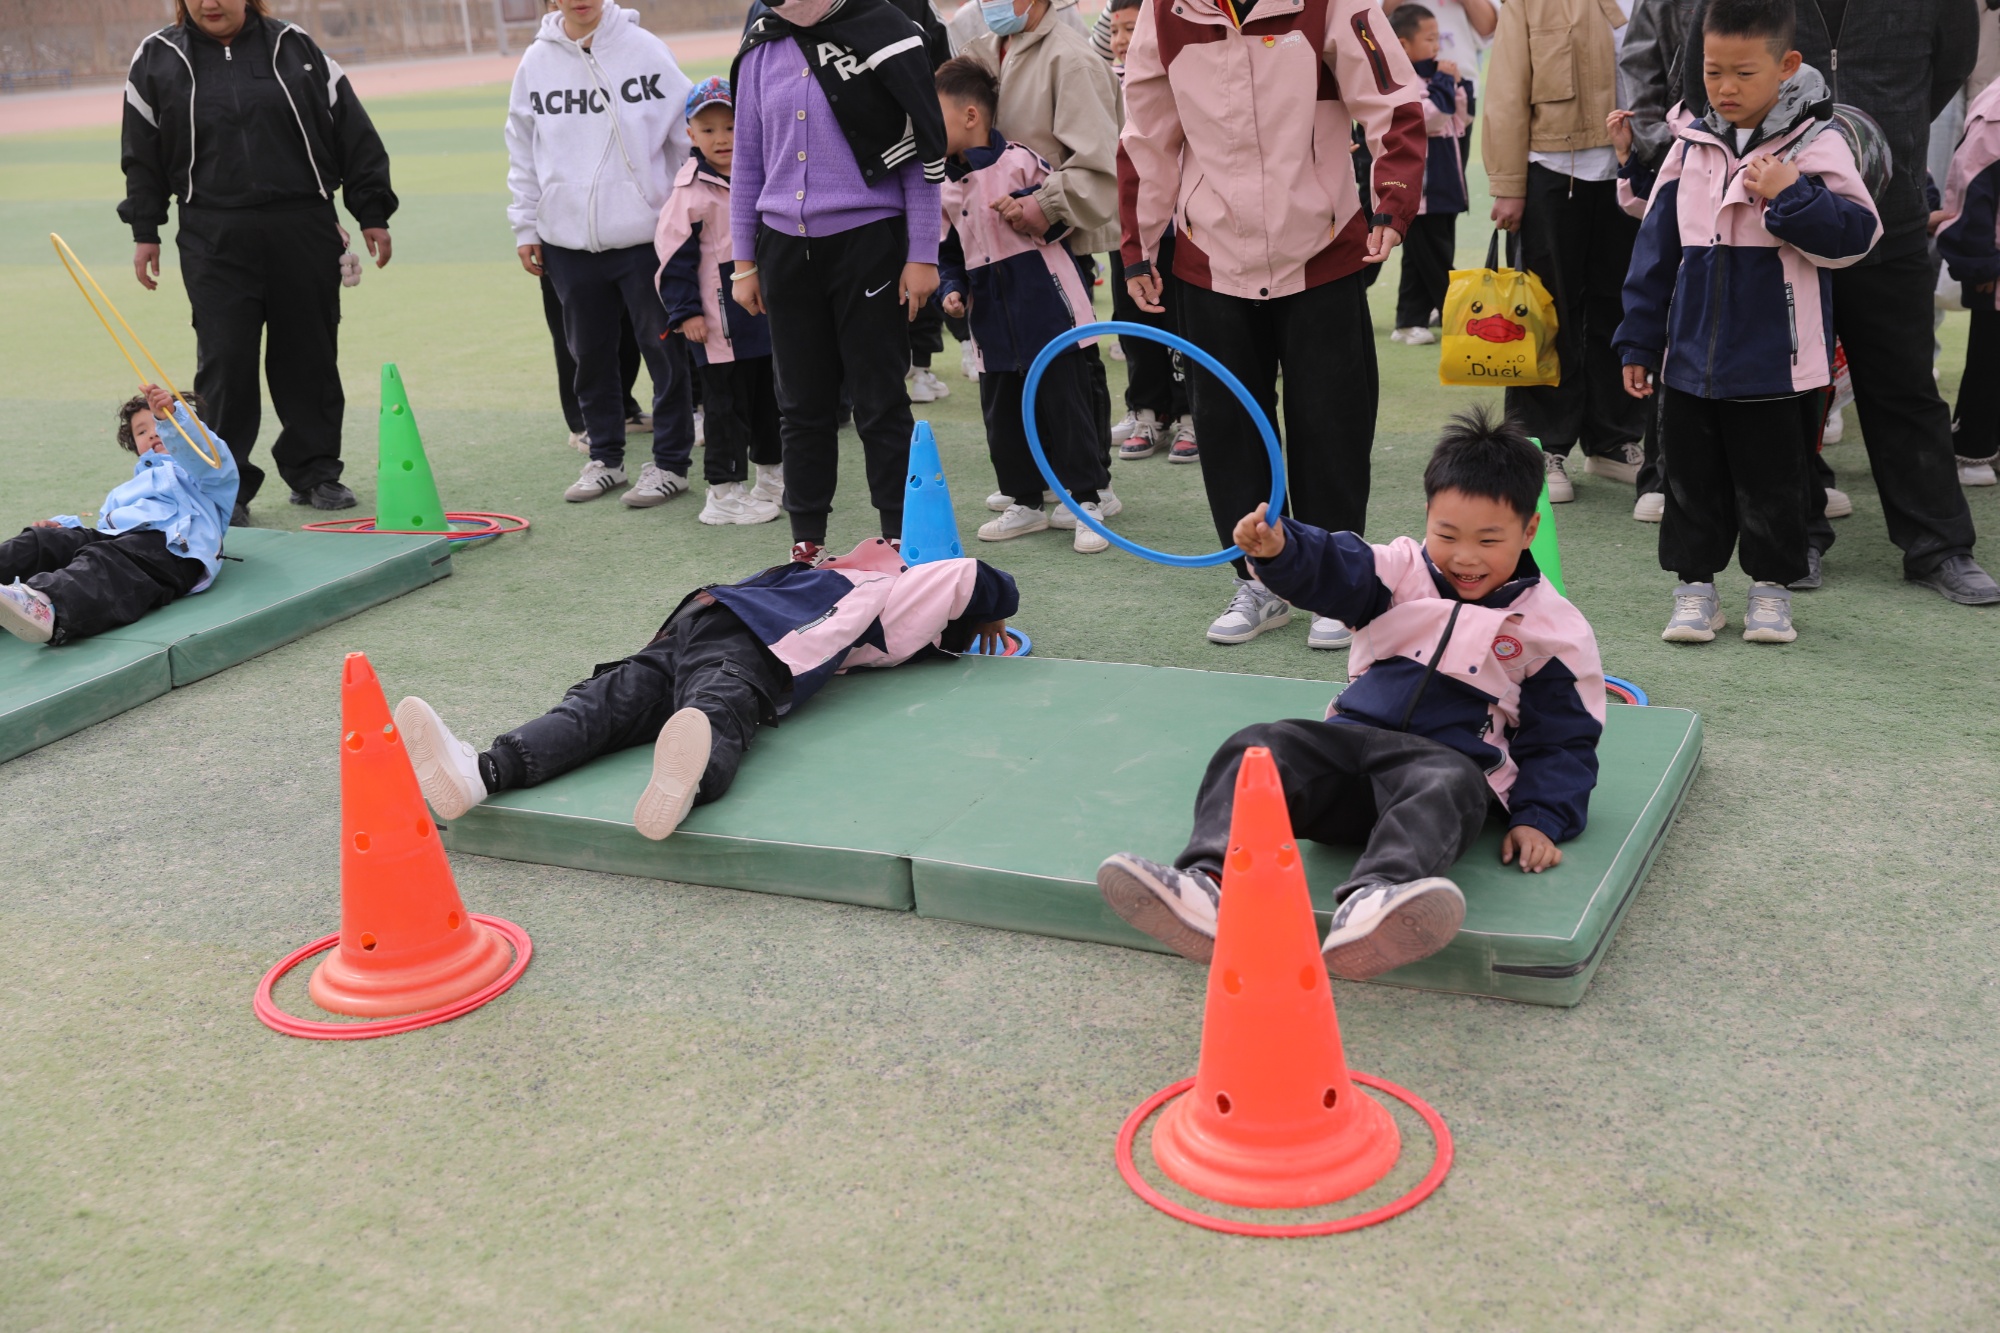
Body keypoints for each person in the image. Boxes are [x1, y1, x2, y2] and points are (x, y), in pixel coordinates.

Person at [1095, 407, 1605, 979]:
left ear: (1529, 530)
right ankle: (1206, 886)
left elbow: (1564, 737)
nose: (1464, 556)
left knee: (1450, 780)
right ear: (1427, 518)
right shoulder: (1399, 571)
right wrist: (1280, 549)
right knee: (1259, 744)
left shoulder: (1552, 630)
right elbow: (1338, 564)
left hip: (1442, 771)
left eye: (1489, 539)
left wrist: (1540, 816)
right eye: (1447, 534)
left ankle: (1375, 901)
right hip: (1351, 751)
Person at [1119, 0, 1427, 651]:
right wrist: (1137, 243)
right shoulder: (1166, 13)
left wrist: (1391, 201)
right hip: (1211, 253)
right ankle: (1260, 578)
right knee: (1228, 426)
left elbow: (1391, 98)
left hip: (1320, 246)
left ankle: (1335, 578)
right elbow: (1147, 134)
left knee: (1332, 420)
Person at [1678, 0, 1998, 605]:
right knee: (1785, 391)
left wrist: (1882, 141)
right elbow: (1700, 76)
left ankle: (1939, 544)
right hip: (1771, 229)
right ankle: (1793, 536)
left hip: (1890, 213)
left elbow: (1948, 68)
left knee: (1903, 384)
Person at [395, 539, 1019, 840]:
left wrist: (980, 619)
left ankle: (489, 772)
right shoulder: (869, 589)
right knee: (678, 702)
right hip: (719, 631)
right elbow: (964, 578)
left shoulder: (872, 592)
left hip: (712, 629)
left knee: (631, 702)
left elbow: (964, 581)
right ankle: (487, 773)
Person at [1616, 0, 1881, 646]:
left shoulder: (1816, 145)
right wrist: (1640, 341)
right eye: (1712, 73)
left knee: (1775, 482)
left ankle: (1771, 591)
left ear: (1787, 67)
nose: (1725, 89)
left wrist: (1790, 193)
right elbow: (1656, 251)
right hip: (1689, 364)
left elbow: (1857, 235)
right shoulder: (1690, 144)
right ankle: (1695, 591)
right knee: (1688, 481)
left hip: (1777, 363)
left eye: (1743, 73)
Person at [120, 0, 394, 524]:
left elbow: (352, 131)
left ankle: (315, 472)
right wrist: (145, 228)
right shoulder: (156, 58)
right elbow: (142, 150)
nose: (210, 4)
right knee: (225, 361)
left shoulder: (295, 47)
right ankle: (229, 484)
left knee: (309, 355)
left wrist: (371, 210)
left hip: (303, 224)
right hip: (213, 233)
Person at [730, 0, 947, 566]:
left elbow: (921, 150)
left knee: (879, 399)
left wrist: (923, 251)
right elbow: (747, 161)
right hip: (782, 250)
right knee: (801, 404)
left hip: (869, 244)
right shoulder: (761, 44)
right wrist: (743, 262)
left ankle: (901, 536)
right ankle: (807, 542)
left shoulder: (887, 32)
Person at [507, 0, 695, 508]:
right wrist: (527, 224)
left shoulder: (645, 50)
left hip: (645, 237)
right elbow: (523, 148)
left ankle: (671, 464)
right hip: (567, 242)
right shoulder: (536, 62)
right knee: (588, 356)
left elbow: (686, 140)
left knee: (664, 354)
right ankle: (606, 458)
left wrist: (683, 215)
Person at [933, 58, 1114, 555]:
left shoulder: (1021, 162)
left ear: (971, 116)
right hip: (990, 318)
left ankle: (1086, 502)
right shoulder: (945, 185)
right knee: (1003, 415)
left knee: (1066, 406)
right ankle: (1026, 501)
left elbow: (1064, 222)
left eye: (937, 115)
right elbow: (947, 250)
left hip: (1047, 310)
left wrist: (1029, 208)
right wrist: (949, 286)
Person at [962, 0, 1128, 508]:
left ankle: (1090, 484)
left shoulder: (1071, 59)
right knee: (1012, 369)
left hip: (1052, 238)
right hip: (996, 248)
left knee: (1068, 367)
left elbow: (1097, 163)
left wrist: (1045, 205)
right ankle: (1035, 483)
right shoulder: (982, 51)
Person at [1484, 0, 1650, 506]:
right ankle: (1540, 445)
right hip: (1553, 170)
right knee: (1544, 309)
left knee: (1621, 304)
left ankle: (1614, 438)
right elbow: (1507, 91)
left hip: (1636, 167)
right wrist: (1509, 183)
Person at [0, 385, 239, 646]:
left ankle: (46, 605)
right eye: (142, 431)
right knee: (44, 542)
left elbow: (207, 455)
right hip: (123, 541)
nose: (153, 433)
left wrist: (173, 416)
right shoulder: (125, 492)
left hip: (175, 550)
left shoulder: (205, 475)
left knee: (106, 559)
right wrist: (62, 527)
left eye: (160, 423)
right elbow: (104, 529)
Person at [656, 78, 786, 528]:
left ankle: (772, 479)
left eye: (730, 127)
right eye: (708, 129)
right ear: (690, 135)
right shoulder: (690, 192)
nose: (721, 138)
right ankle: (723, 493)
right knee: (726, 409)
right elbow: (673, 260)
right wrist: (686, 313)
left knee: (770, 400)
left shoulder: (762, 173)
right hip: (717, 328)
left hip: (763, 319)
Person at [1099, 0, 1191, 466]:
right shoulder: (1107, 76)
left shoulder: (1183, 60)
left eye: (1131, 30)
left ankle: (1191, 414)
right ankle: (1147, 410)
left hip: (1185, 222)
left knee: (1185, 322)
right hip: (1130, 222)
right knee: (1134, 321)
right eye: (1115, 31)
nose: (1119, 40)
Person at [1388, 5, 1471, 348]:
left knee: (1426, 254)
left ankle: (1410, 321)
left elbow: (1459, 119)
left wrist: (1456, 87)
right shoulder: (1402, 80)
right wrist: (1442, 84)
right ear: (1403, 45)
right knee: (1433, 256)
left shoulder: (1435, 77)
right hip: (1422, 190)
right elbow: (1430, 117)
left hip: (1445, 183)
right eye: (1430, 38)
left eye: (1439, 37)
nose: (1438, 45)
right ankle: (1458, 316)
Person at [1939, 71, 2000, 490]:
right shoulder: (1995, 110)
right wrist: (1978, 264)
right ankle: (1974, 448)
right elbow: (1970, 184)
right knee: (1988, 360)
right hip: (1995, 272)